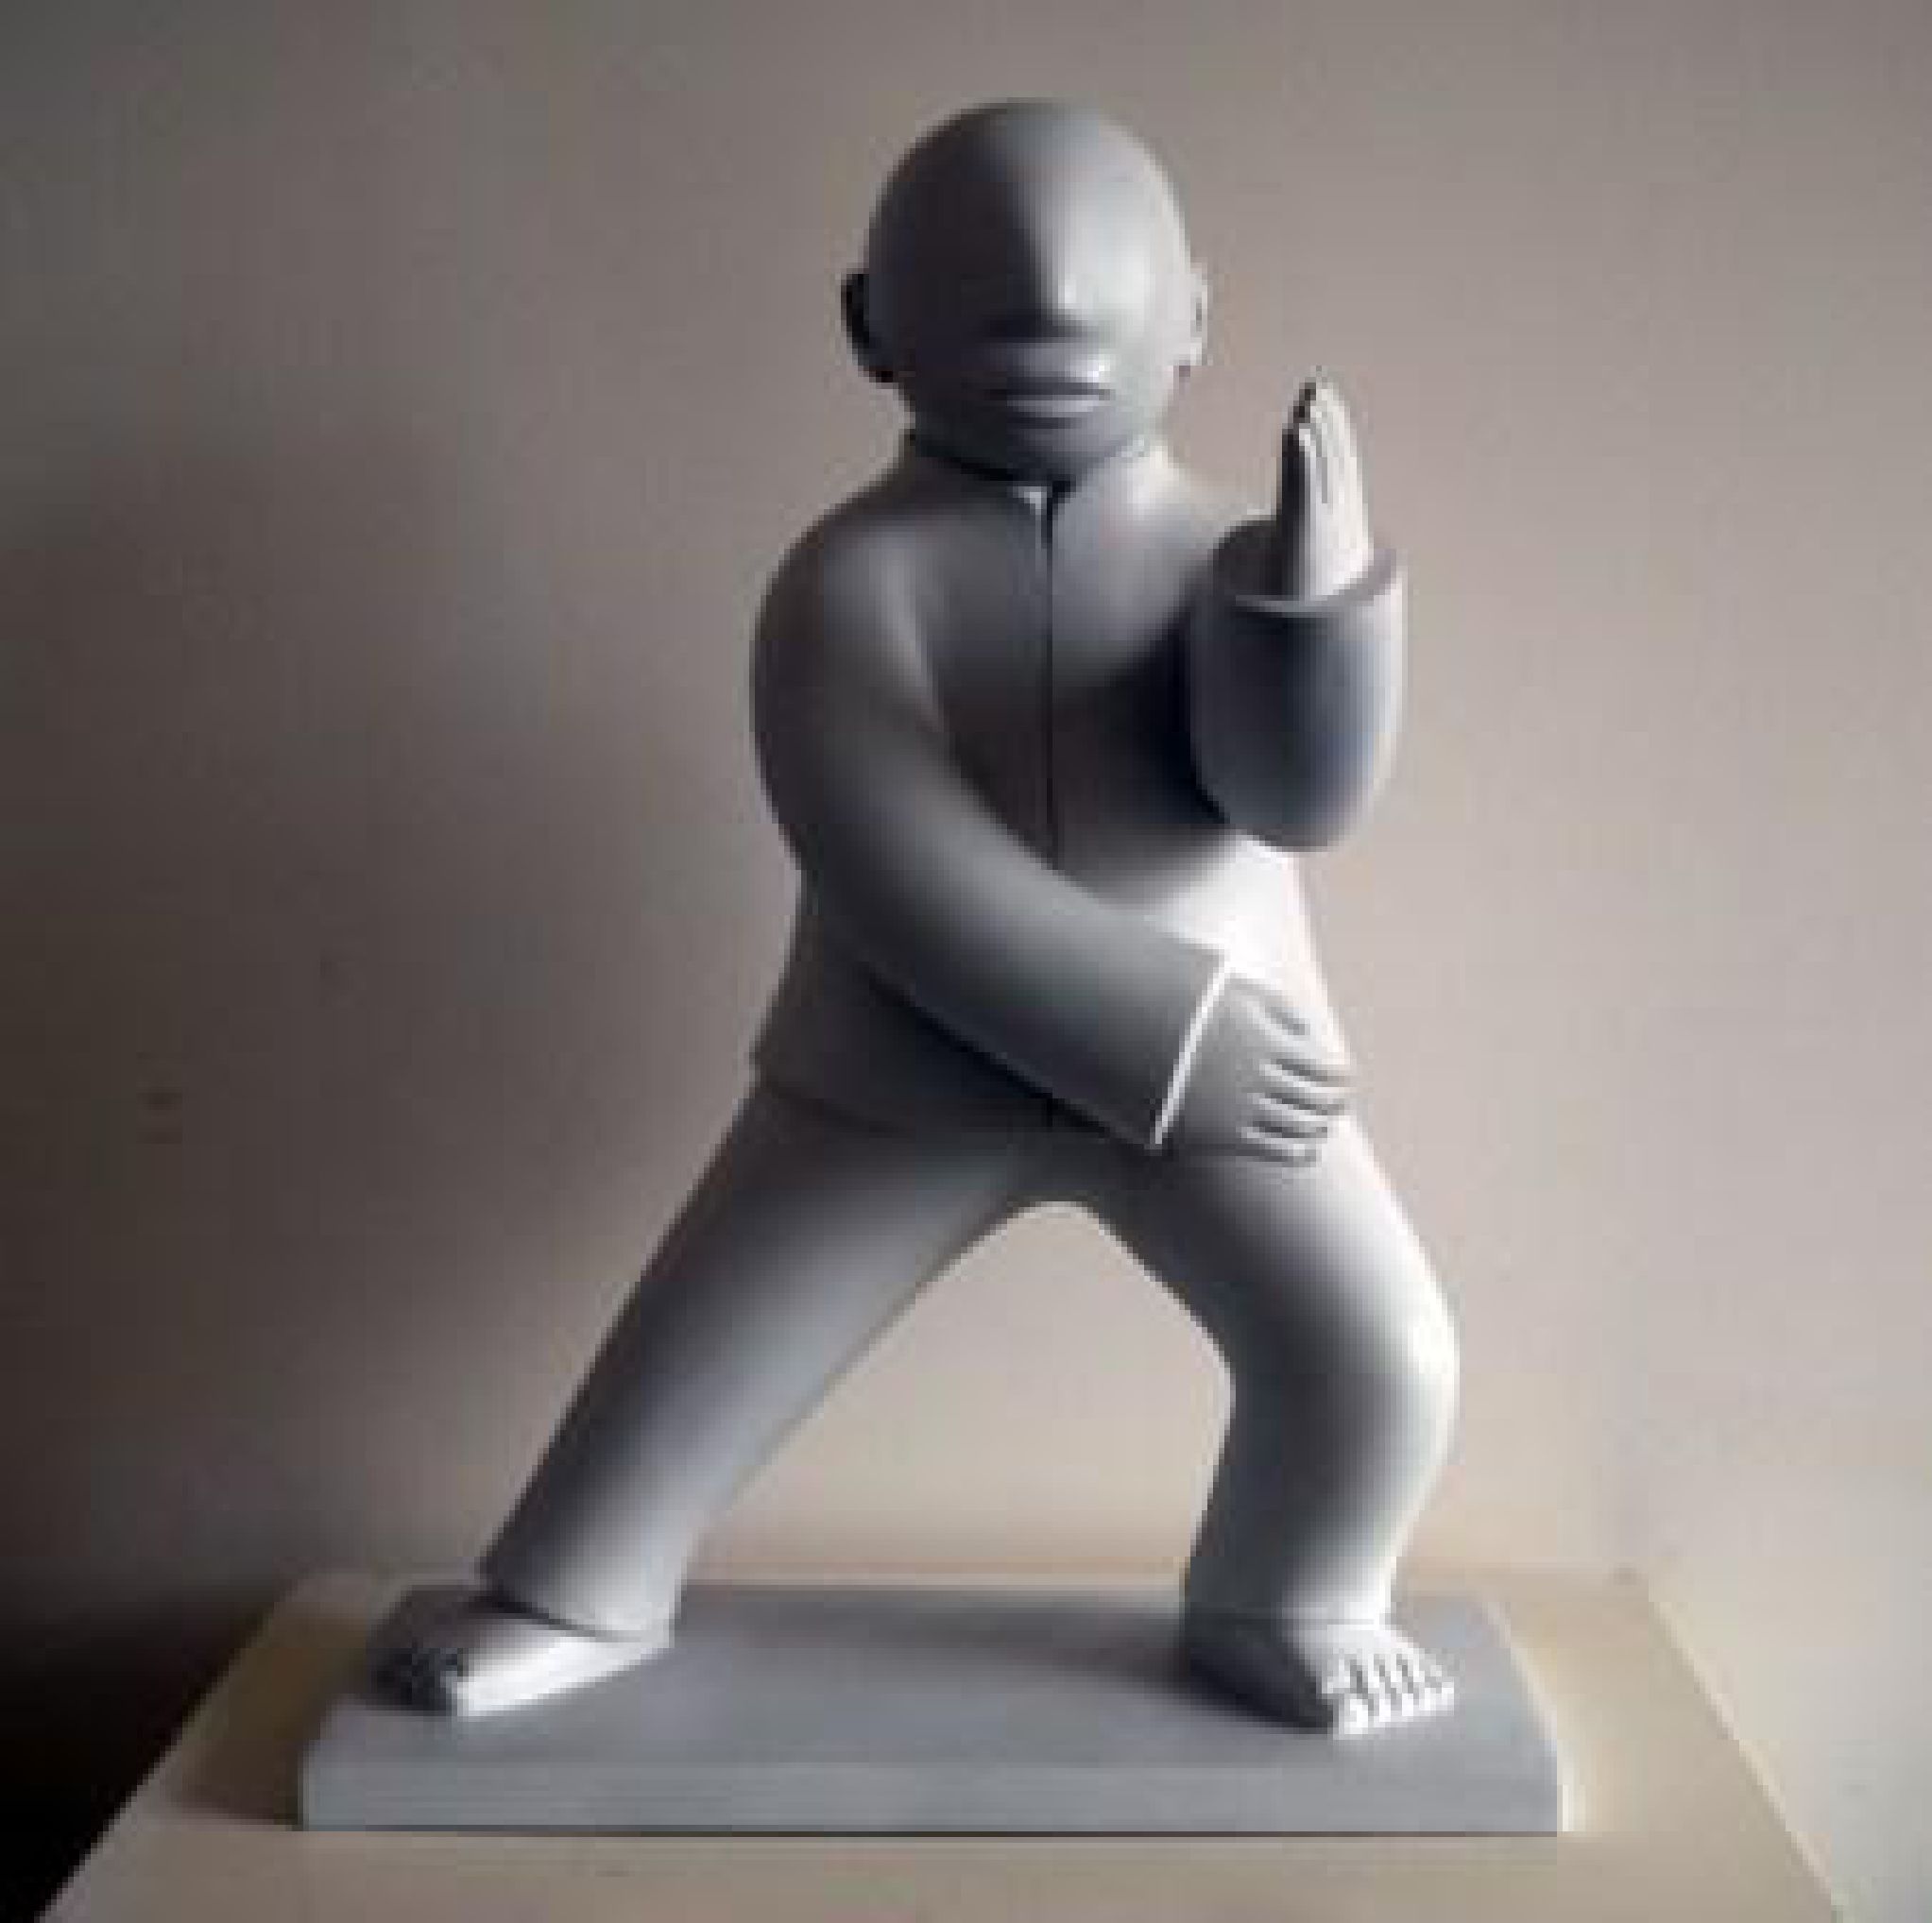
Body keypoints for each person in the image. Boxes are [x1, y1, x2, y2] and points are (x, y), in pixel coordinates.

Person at [382, 99, 1458, 1737]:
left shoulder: (1216, 558)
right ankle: (574, 1593)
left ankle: (1290, 1593)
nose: (1052, 317)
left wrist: (1312, 605)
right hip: (912, 1074)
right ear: (869, 326)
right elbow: (892, 862)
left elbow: (1289, 801)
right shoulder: (848, 580)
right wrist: (1165, 1036)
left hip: (1237, 1083)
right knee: (704, 1355)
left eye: (1106, 281)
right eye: (981, 287)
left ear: (1195, 318)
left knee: (1380, 1359)